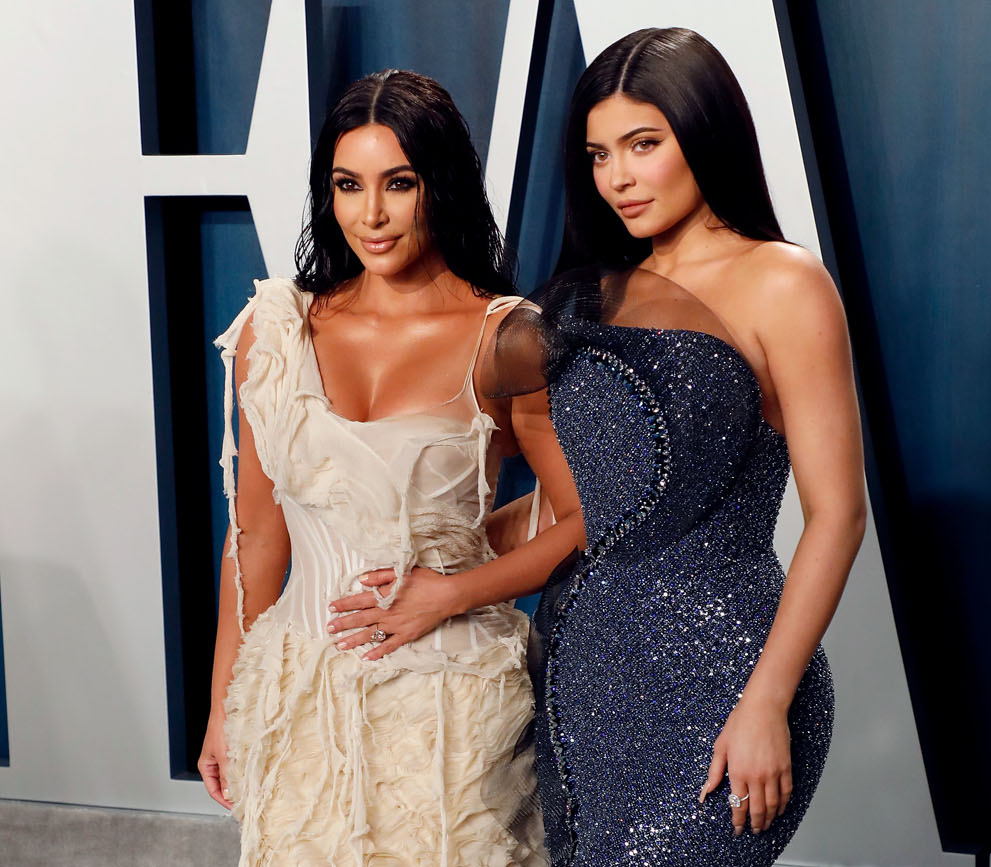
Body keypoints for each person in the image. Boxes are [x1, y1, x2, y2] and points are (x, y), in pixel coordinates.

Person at [333, 28, 867, 866]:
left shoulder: (784, 283)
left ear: (705, 133)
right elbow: (586, 505)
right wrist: (432, 559)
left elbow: (838, 515)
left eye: (643, 144)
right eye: (598, 154)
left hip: (726, 677)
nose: (617, 176)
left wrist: (768, 699)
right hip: (582, 685)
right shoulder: (591, 295)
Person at [198, 69, 582, 866]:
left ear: (440, 185)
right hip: (298, 691)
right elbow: (255, 536)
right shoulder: (276, 331)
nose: (370, 214)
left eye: (398, 184)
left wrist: (453, 590)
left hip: (450, 702)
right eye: (348, 185)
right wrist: (222, 706)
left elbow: (585, 518)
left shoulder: (505, 336)